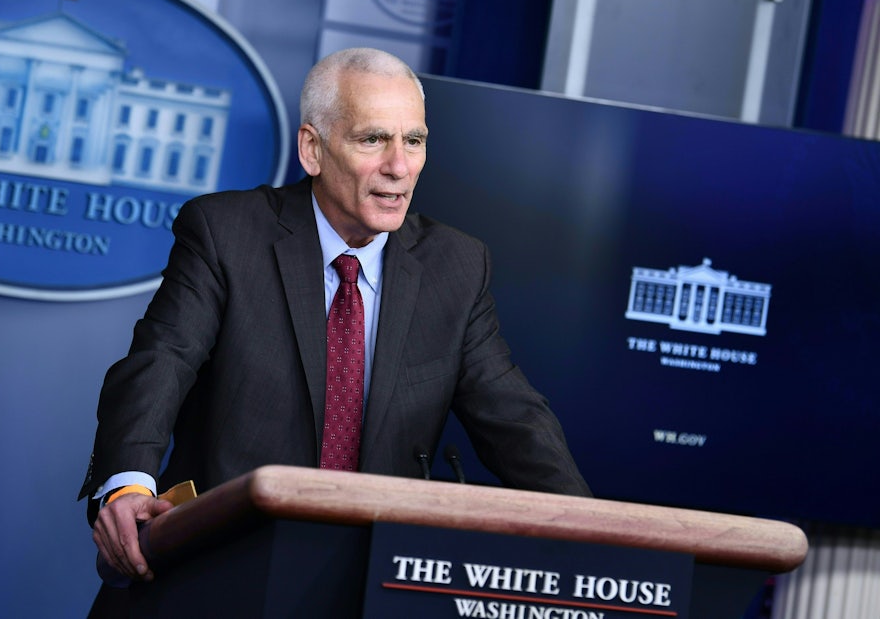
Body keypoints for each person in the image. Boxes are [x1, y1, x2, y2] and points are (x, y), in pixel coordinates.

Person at [79, 47, 590, 583]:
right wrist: (129, 484)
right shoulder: (225, 233)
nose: (398, 166)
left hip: (365, 581)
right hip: (218, 565)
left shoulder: (456, 266)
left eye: (413, 141)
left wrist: (594, 530)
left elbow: (515, 419)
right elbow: (163, 360)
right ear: (312, 149)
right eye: (373, 139)